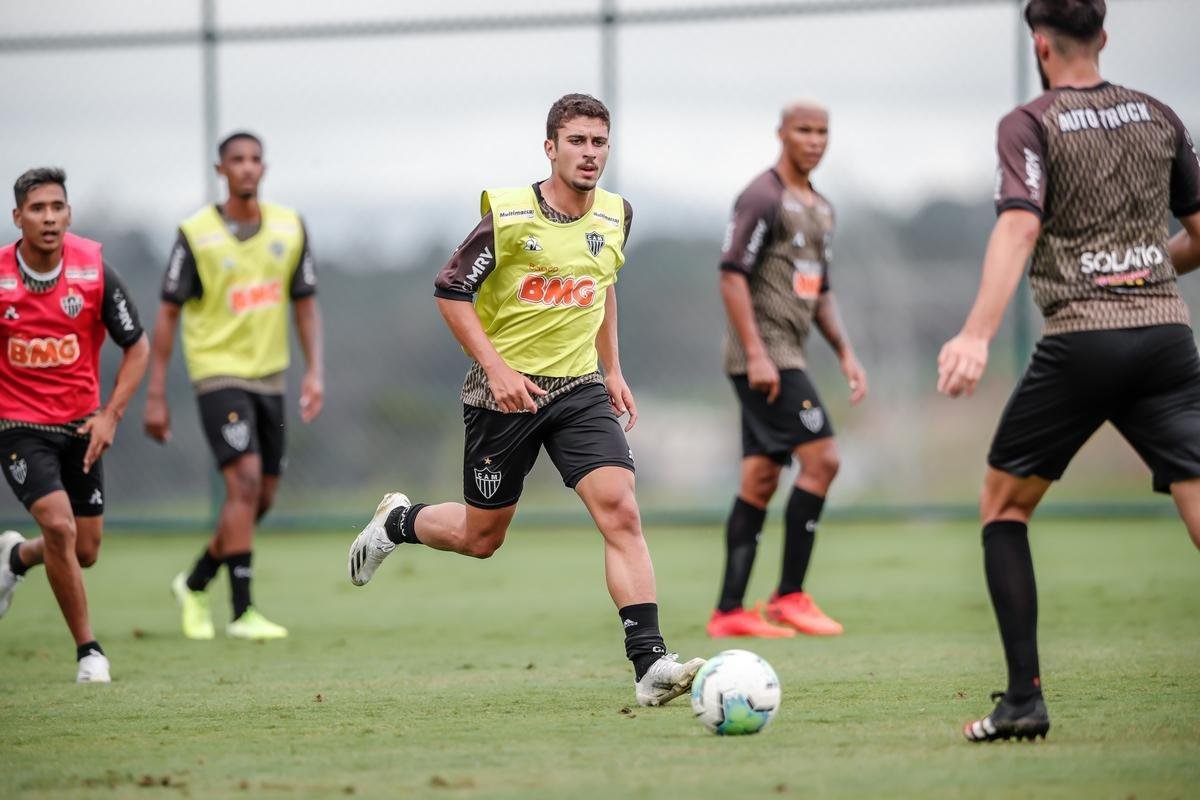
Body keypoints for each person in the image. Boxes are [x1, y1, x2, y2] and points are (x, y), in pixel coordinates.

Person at [346, 93, 704, 706]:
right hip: (501, 396)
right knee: (482, 537)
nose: (589, 154)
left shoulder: (617, 215)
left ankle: (649, 664)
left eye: (599, 142)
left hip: (579, 390)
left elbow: (602, 285)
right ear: (551, 148)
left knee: (620, 509)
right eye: (577, 142)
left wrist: (612, 368)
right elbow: (451, 290)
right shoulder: (509, 215)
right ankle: (397, 522)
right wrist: (496, 368)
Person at [938, 0, 1200, 742]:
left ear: (1040, 45)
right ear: (1104, 39)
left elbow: (1020, 225)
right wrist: (1144, 267)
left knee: (1004, 506)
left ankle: (1024, 701)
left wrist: (976, 334)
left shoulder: (1029, 121)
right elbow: (1198, 235)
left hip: (1083, 338)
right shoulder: (1159, 114)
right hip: (1165, 336)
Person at [144, 132, 324, 641]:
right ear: (220, 170)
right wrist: (155, 392)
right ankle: (242, 611)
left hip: (271, 377)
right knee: (242, 484)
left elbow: (305, 303)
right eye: (236, 161)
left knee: (260, 498)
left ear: (263, 168)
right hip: (217, 374)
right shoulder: (196, 233)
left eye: (254, 160)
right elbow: (167, 312)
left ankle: (196, 581)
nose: (246, 168)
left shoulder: (289, 227)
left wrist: (315, 371)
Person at [707, 100, 867, 640]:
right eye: (804, 129)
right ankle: (790, 597)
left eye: (823, 130)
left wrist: (845, 352)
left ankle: (730, 611)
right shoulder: (762, 196)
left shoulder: (821, 208)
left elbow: (820, 291)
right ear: (782, 133)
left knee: (759, 478)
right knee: (823, 460)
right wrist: (755, 353)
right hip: (765, 358)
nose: (815, 139)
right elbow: (731, 274)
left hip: (789, 355)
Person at [0, 168, 149, 682]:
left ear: (68, 214)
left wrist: (110, 416)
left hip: (82, 426)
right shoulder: (0, 278)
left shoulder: (92, 269)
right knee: (59, 525)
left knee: (82, 550)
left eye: (56, 207)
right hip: (17, 425)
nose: (48, 218)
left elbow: (138, 347)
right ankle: (90, 651)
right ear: (17, 217)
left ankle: (16, 557)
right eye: (37, 208)